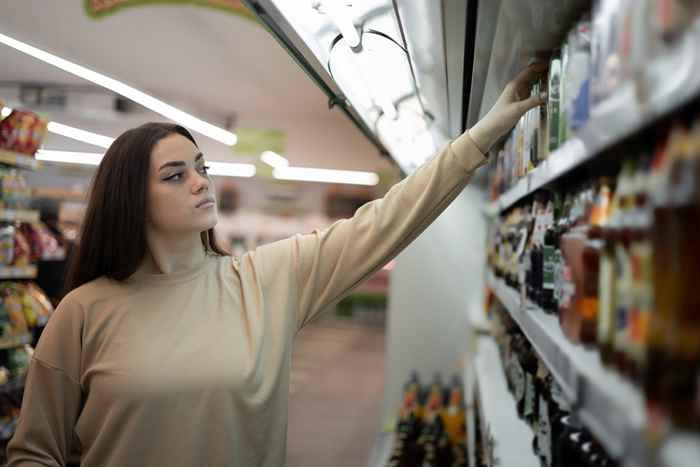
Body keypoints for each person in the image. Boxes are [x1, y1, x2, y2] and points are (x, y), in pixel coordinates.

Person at [6, 64, 546, 467]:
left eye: (201, 167)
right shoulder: (82, 313)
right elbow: (34, 454)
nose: (200, 182)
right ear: (131, 200)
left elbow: (384, 222)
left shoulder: (263, 282)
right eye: (175, 176)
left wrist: (483, 134)